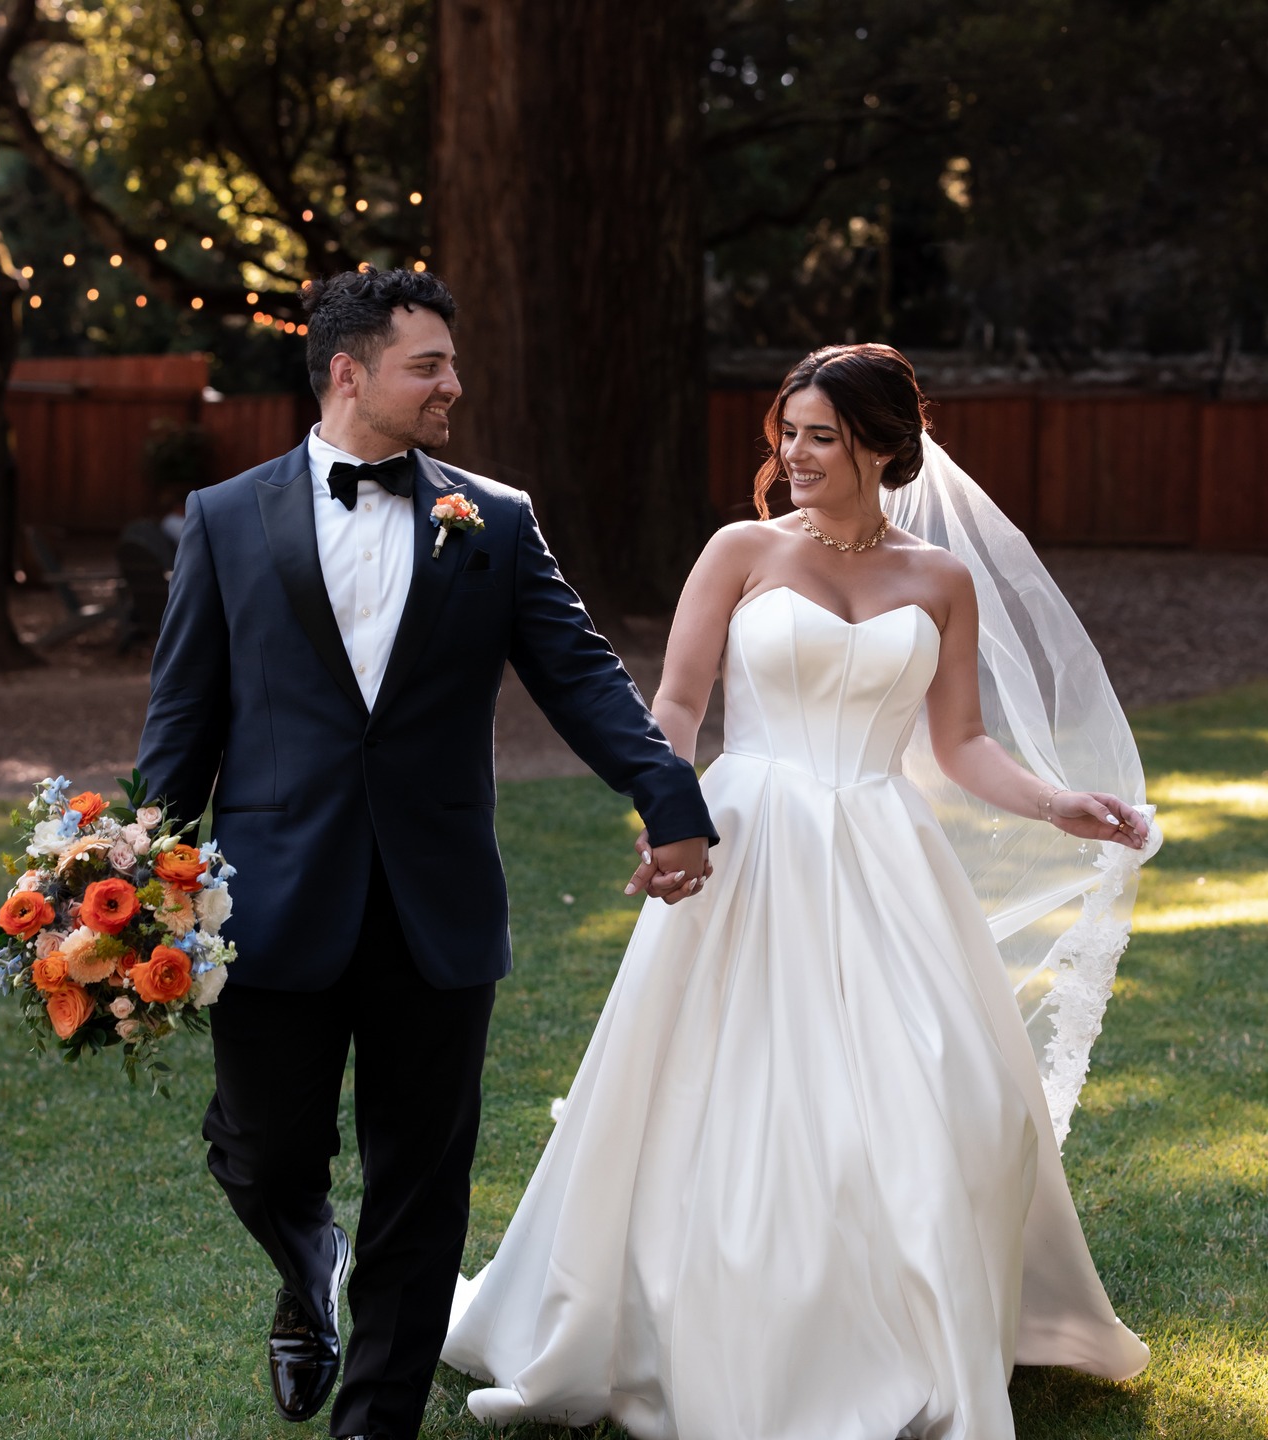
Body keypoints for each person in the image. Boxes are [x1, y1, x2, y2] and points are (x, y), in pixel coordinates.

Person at [441, 343, 1155, 1439]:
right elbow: (673, 704)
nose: (796, 453)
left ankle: (913, 1332)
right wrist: (664, 816)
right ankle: (704, 1325)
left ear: (881, 446)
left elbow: (959, 743)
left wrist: (1058, 803)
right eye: (790, 432)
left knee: (951, 1089)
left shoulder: (939, 579)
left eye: (823, 435)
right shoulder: (740, 551)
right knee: (728, 1093)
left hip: (883, 851)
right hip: (748, 840)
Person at [133, 266, 715, 1439]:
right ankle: (310, 1268)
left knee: (423, 1180)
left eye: (451, 362)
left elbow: (584, 677)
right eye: (429, 365)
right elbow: (182, 720)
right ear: (350, 374)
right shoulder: (224, 518)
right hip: (268, 902)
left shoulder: (493, 521)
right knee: (260, 1146)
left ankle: (375, 1422)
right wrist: (139, 883)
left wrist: (670, 795)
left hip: (434, 907)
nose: (455, 383)